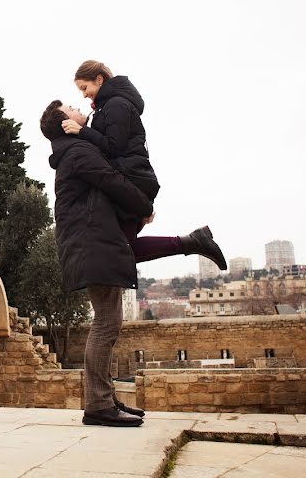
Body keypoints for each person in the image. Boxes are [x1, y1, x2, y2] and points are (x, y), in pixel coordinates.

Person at [40, 99, 149, 427]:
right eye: (71, 106)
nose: (77, 106)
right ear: (64, 123)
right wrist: (143, 205)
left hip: (92, 244)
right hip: (93, 246)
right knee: (105, 323)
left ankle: (104, 397)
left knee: (109, 322)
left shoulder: (75, 150)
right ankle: (99, 405)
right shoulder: (77, 152)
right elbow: (112, 181)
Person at [62, 60, 227, 269]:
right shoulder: (108, 106)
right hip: (130, 179)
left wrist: (82, 131)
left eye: (84, 88)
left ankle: (194, 241)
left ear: (99, 80)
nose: (84, 95)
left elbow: (114, 147)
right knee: (118, 250)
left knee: (119, 251)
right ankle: (193, 241)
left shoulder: (116, 105)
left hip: (131, 180)